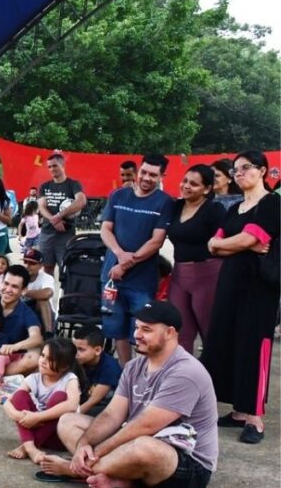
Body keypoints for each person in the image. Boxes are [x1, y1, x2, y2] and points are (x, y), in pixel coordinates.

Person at [40, 302, 218, 488]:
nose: (137, 334)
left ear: (169, 333)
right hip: (137, 442)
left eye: (146, 329)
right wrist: (84, 445)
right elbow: (112, 414)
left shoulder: (186, 372)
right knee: (68, 421)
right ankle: (115, 476)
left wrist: (95, 453)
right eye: (136, 327)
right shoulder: (134, 366)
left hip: (185, 463)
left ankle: (76, 470)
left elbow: (146, 425)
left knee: (144, 446)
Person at [202, 150, 280, 444]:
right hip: (229, 283)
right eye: (235, 170)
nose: (239, 174)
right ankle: (237, 410)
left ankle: (254, 417)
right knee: (226, 340)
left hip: (258, 287)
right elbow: (213, 245)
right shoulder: (234, 209)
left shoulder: (272, 204)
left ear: (262, 171)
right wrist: (228, 243)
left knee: (253, 345)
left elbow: (251, 238)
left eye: (245, 168)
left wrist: (229, 243)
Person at [100, 153, 174, 364]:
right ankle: (126, 373)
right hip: (111, 277)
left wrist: (125, 263)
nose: (146, 178)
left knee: (143, 330)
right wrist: (120, 255)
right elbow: (105, 230)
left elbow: (156, 241)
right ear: (138, 170)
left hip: (141, 281)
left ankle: (144, 375)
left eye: (153, 174)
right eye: (144, 172)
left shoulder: (165, 202)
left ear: (162, 176)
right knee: (117, 329)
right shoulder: (118, 195)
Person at [165, 164, 225, 354]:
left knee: (210, 331)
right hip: (179, 275)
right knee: (180, 331)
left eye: (194, 184)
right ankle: (184, 377)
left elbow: (224, 242)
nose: (186, 186)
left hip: (208, 276)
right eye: (185, 181)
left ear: (207, 189)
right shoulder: (176, 206)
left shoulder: (214, 210)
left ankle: (216, 378)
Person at [3, 338, 81, 463]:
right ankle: (30, 448)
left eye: (50, 359)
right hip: (37, 429)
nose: (43, 361)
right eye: (43, 355)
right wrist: (20, 416)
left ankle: (26, 447)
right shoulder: (34, 378)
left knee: (60, 397)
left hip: (59, 436)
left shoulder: (70, 379)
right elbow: (8, 402)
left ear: (64, 367)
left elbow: (72, 405)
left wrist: (38, 417)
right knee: (20, 395)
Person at [37, 152, 87, 275]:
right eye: (49, 167)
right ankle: (48, 294)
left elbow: (81, 201)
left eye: (54, 166)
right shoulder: (45, 186)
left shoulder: (73, 184)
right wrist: (54, 220)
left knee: (66, 269)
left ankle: (64, 295)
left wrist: (60, 215)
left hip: (66, 234)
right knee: (47, 268)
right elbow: (42, 207)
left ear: (62, 165)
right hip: (47, 233)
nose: (52, 169)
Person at [72, 324, 122, 417]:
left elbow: (93, 401)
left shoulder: (110, 367)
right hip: (83, 401)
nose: (75, 353)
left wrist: (70, 416)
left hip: (104, 407)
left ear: (98, 350)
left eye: (81, 350)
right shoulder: (78, 361)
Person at [21, 248, 58, 335]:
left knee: (43, 300)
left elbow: (48, 293)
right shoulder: (19, 275)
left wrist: (26, 292)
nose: (27, 266)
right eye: (25, 262)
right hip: (22, 309)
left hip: (42, 312)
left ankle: (49, 333)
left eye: (32, 263)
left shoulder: (47, 277)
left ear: (41, 266)